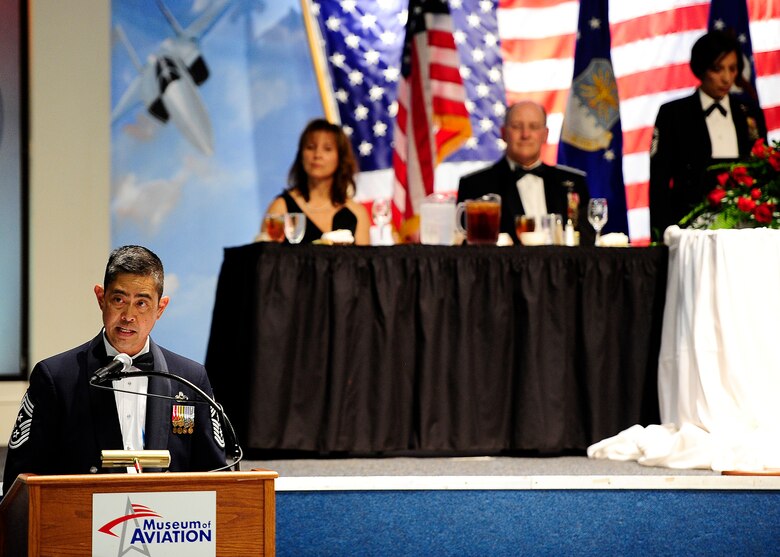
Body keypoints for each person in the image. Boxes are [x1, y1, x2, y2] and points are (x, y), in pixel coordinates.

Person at [2, 246, 226, 496]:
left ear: (160, 308)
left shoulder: (190, 379)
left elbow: (218, 477)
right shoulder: (55, 377)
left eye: (141, 303)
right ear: (101, 298)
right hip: (80, 526)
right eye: (119, 300)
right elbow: (19, 483)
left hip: (168, 529)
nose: (128, 315)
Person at [649, 30, 767, 241]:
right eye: (717, 69)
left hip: (743, 228)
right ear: (701, 69)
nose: (726, 78)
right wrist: (660, 237)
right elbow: (659, 182)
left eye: (733, 69)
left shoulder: (749, 112)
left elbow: (762, 171)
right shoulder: (674, 114)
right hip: (689, 229)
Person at [458, 101, 593, 245]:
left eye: (533, 127)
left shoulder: (574, 182)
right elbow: (468, 252)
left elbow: (588, 243)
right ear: (503, 133)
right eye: (517, 126)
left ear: (545, 134)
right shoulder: (475, 185)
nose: (525, 134)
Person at [261, 118, 371, 245]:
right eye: (310, 147)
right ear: (301, 155)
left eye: (327, 149)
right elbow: (267, 260)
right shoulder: (281, 208)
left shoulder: (357, 213)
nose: (317, 155)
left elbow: (364, 262)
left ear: (340, 158)